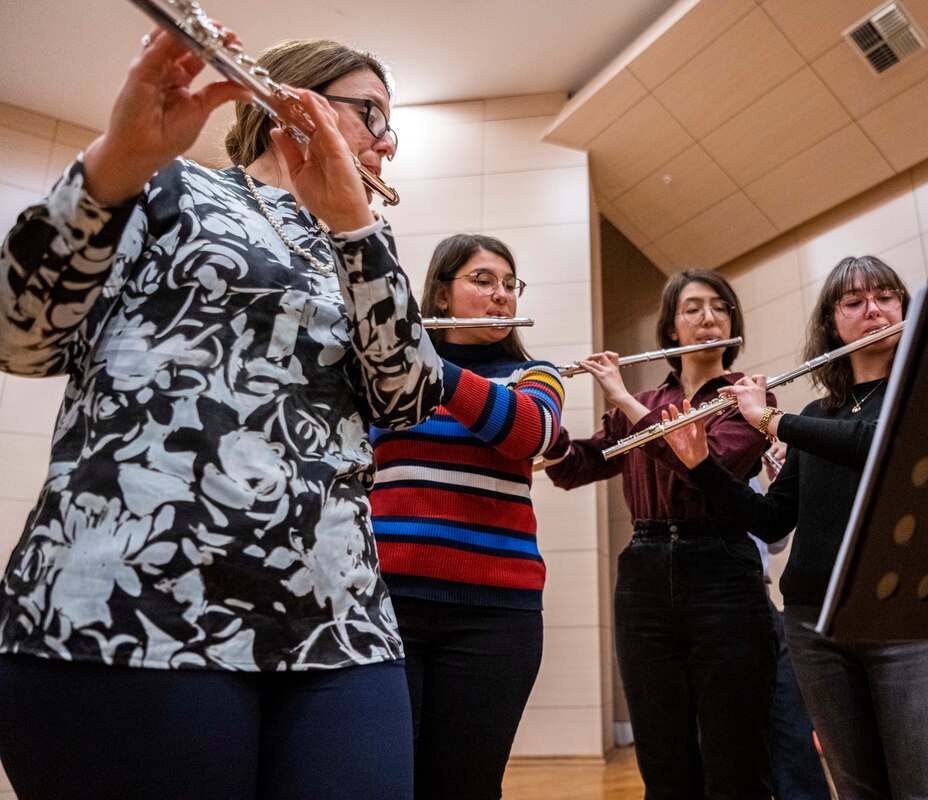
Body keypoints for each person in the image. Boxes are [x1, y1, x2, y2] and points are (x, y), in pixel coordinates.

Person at [0, 31, 441, 800]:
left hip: (336, 617)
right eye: (371, 114)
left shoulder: (368, 242)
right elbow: (19, 335)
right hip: (136, 600)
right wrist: (114, 167)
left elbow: (406, 397)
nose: (388, 143)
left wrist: (356, 234)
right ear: (293, 107)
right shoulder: (169, 188)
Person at [662, 256, 928, 799]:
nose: (873, 311)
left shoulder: (927, 393)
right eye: (854, 302)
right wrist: (701, 467)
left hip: (906, 618)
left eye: (885, 297)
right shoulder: (821, 415)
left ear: (905, 306)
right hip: (816, 624)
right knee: (858, 791)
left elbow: (879, 444)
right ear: (833, 323)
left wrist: (770, 420)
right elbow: (772, 517)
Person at [544, 270, 778, 800]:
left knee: (737, 758)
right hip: (645, 571)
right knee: (663, 757)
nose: (709, 317)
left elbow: (707, 462)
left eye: (720, 307)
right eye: (693, 308)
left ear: (733, 324)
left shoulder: (749, 397)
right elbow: (579, 464)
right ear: (671, 329)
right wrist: (540, 431)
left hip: (723, 570)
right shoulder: (649, 396)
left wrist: (625, 402)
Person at [368, 233, 564, 799]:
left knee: (466, 788)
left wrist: (432, 367)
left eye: (509, 284)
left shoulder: (536, 375)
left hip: (497, 617)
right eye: (482, 281)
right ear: (441, 294)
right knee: (384, 782)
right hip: (388, 606)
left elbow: (531, 432)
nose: (501, 295)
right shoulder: (387, 375)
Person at [753, 445, 833, 800]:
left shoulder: (746, 467)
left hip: (761, 598)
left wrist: (777, 490)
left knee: (792, 732)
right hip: (727, 595)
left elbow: (773, 542)